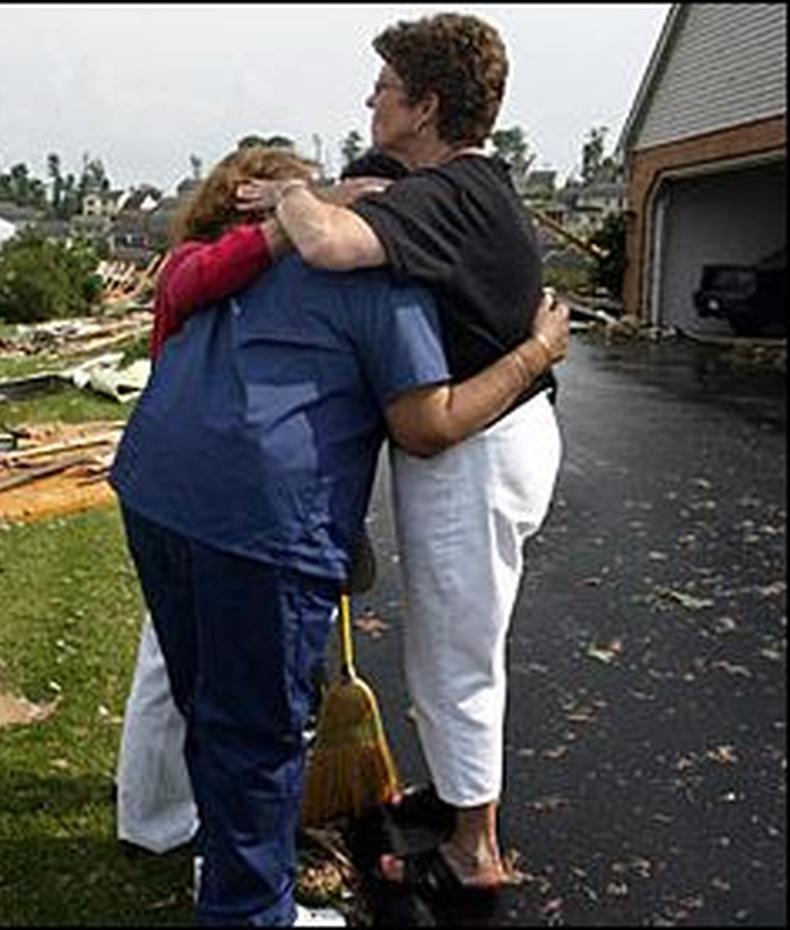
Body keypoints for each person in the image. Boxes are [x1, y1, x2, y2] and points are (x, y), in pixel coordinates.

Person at [109, 143, 567, 925]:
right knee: (257, 733)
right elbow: (429, 425)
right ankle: (253, 913)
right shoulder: (378, 287)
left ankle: (223, 867)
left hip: (154, 488)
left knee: (207, 704)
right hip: (256, 520)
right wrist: (536, 352)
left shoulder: (231, 261)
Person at [233, 12, 560, 899]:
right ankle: (460, 797)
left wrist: (289, 202)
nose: (369, 99)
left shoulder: (455, 196)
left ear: (426, 105)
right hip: (489, 437)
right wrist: (323, 186)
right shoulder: (432, 178)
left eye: (383, 88)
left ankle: (473, 850)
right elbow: (358, 187)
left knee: (457, 647)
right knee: (447, 641)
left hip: (479, 446)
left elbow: (333, 243)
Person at [114, 148, 411, 859]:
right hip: (201, 492)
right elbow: (202, 277)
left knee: (206, 689)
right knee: (183, 680)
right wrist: (305, 208)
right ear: (247, 200)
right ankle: (158, 821)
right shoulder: (198, 261)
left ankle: (199, 821)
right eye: (288, 190)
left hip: (185, 488)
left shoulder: (278, 272)